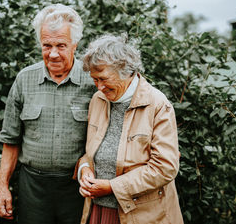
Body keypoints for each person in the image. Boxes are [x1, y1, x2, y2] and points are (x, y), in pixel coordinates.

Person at [0, 4, 96, 224]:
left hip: (78, 187)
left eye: (61, 45)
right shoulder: (24, 79)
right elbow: (11, 139)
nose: (53, 54)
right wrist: (2, 186)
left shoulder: (93, 81)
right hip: (33, 187)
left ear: (75, 45)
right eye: (46, 45)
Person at [75, 34, 184, 224]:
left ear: (125, 71)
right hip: (98, 209)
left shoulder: (157, 104)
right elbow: (91, 152)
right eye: (94, 80)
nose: (99, 87)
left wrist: (112, 187)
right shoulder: (98, 100)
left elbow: (165, 167)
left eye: (103, 79)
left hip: (141, 215)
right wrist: (84, 169)